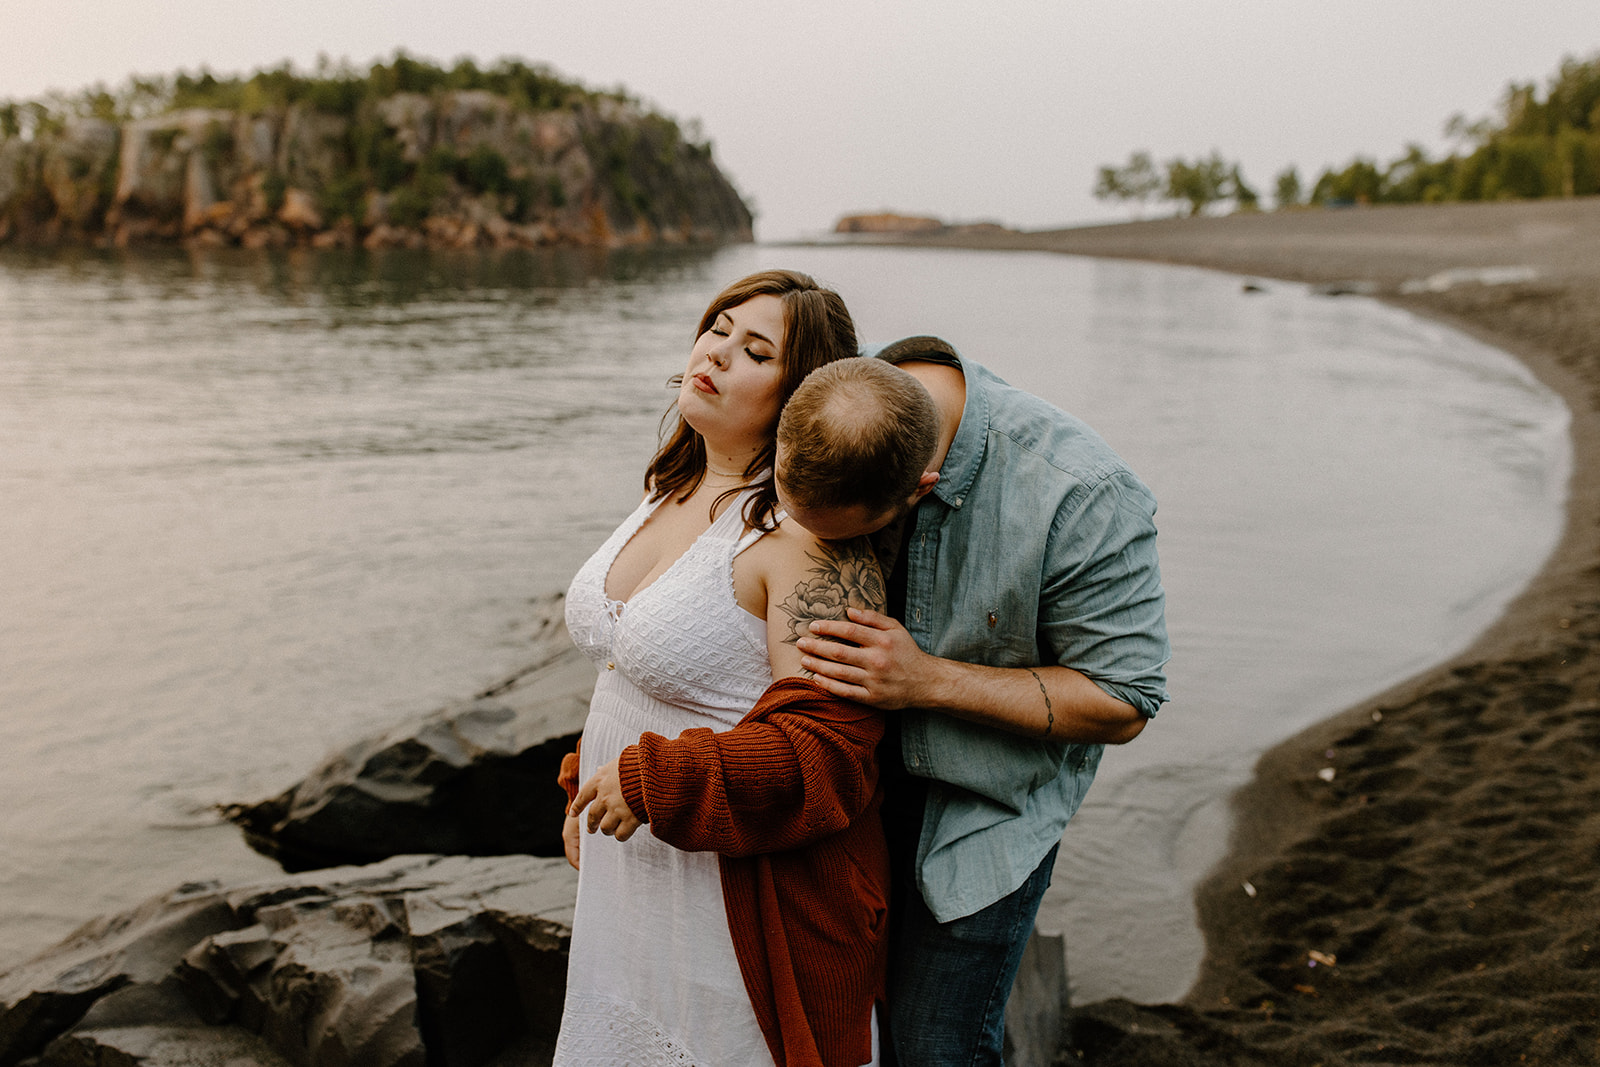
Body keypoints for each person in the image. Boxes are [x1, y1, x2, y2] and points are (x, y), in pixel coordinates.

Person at [553, 273, 940, 1067]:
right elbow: (628, 679)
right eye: (719, 328)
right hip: (632, 878)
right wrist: (581, 787)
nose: (718, 351)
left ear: (799, 397)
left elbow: (830, 756)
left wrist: (655, 780)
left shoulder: (802, 543)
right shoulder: (674, 482)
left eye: (755, 349)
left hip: (734, 905)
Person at [781, 336, 1171, 1065]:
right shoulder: (830, 402)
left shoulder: (1082, 492)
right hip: (841, 800)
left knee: (936, 1048)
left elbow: (1125, 700)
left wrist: (925, 678)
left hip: (979, 816)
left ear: (919, 489)